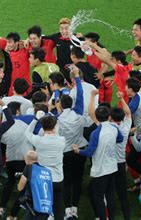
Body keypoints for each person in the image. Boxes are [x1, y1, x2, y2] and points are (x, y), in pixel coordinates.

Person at [74, 103, 123, 220]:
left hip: (100, 170)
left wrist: (78, 151)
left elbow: (89, 152)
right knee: (110, 195)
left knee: (98, 197)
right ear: (109, 116)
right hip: (112, 167)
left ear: (96, 117)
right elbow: (120, 139)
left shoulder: (95, 133)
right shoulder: (114, 128)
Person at [52, 67, 85, 219]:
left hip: (65, 153)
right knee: (77, 181)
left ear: (61, 105)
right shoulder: (78, 113)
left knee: (66, 181)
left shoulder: (58, 119)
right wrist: (77, 78)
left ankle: (66, 211)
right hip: (79, 150)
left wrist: (56, 108)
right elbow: (81, 95)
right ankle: (75, 209)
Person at [0, 101, 33, 219]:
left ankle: (1, 208)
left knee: (10, 182)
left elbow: (2, 143)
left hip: (11, 160)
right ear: (17, 111)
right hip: (25, 160)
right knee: (23, 188)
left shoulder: (4, 127)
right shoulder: (26, 124)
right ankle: (12, 214)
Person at [25, 113, 65, 220]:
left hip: (43, 179)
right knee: (59, 207)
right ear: (55, 126)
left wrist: (35, 119)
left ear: (42, 127)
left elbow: (27, 132)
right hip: (57, 179)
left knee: (41, 209)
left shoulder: (39, 140)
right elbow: (56, 132)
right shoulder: (61, 140)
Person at [110, 92, 132, 220]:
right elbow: (128, 113)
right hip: (121, 163)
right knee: (123, 193)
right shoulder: (125, 127)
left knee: (110, 192)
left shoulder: (108, 128)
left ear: (111, 118)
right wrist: (122, 98)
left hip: (111, 164)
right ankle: (127, 217)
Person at [17, 150, 53, 220]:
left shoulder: (29, 167)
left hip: (33, 206)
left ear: (27, 159)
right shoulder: (47, 171)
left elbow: (20, 187)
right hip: (46, 205)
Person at [42, 17, 74, 82]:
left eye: (66, 28)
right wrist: (28, 39)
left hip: (72, 69)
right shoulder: (56, 37)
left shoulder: (75, 39)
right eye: (61, 29)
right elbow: (40, 37)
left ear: (71, 28)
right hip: (59, 68)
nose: (64, 31)